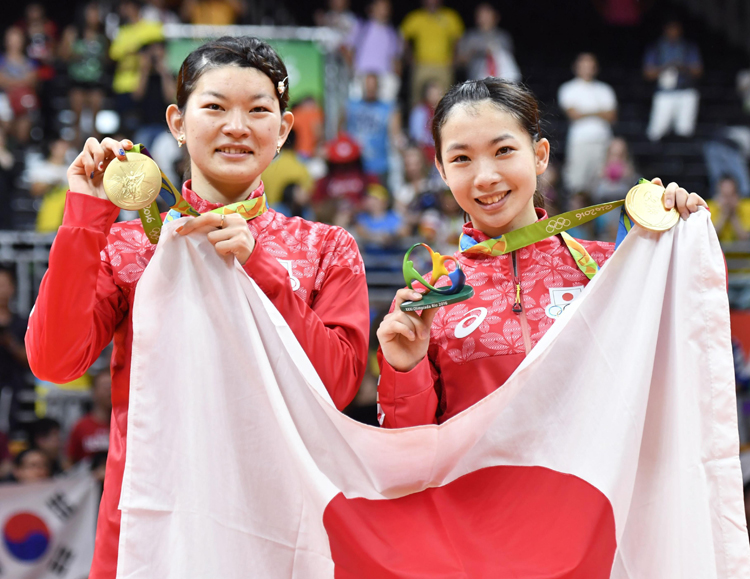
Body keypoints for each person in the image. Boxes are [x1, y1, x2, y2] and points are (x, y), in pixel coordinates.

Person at [26, 36, 369, 579]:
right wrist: (85, 216)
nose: (237, 126)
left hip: (281, 528)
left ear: (282, 132)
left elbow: (338, 386)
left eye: (259, 110)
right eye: (214, 107)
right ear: (178, 122)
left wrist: (260, 267)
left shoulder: (325, 247)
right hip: (149, 529)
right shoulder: (128, 246)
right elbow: (54, 361)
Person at [376, 78, 707, 428]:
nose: (485, 176)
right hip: (480, 485)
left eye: (503, 150)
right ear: (442, 171)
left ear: (540, 155)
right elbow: (408, 454)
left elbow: (694, 335)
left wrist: (684, 239)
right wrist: (406, 369)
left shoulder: (611, 270)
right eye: (461, 158)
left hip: (591, 484)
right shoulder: (428, 304)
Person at [558, 52, 617, 195]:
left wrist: (585, 112)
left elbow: (611, 116)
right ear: (576, 67)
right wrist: (599, 112)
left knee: (599, 184)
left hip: (602, 141)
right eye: (583, 64)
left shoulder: (605, 89)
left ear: (595, 68)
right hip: (580, 142)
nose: (587, 68)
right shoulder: (568, 88)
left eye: (590, 65)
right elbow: (573, 114)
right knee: (577, 183)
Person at [643, 20, 702, 142]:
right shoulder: (657, 47)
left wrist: (682, 67)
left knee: (685, 130)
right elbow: (648, 73)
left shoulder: (688, 47)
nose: (673, 32)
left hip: (685, 90)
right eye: (670, 28)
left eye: (676, 28)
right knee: (657, 131)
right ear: (665, 30)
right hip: (664, 91)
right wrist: (666, 67)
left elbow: (698, 71)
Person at [59, 2, 109, 144]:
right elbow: (62, 55)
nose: (94, 16)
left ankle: (97, 147)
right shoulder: (73, 32)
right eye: (91, 12)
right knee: (77, 117)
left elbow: (107, 58)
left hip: (96, 80)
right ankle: (76, 147)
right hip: (77, 80)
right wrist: (74, 53)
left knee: (96, 117)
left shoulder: (102, 35)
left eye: (97, 12)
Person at [400, 0, 463, 106]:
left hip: (443, 65)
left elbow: (458, 40)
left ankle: (443, 122)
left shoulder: (450, 16)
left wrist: (454, 58)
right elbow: (403, 36)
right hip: (421, 65)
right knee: (416, 98)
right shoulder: (416, 17)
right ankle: (416, 121)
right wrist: (408, 56)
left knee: (446, 99)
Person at [346, 73, 404, 185]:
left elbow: (395, 134)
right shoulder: (350, 106)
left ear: (378, 87)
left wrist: (400, 151)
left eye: (373, 86)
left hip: (379, 165)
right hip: (355, 163)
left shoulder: (388, 108)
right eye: (368, 85)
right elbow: (340, 130)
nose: (370, 89)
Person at [346, 0, 403, 103]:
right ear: (372, 8)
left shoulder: (392, 33)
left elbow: (395, 58)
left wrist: (397, 77)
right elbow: (348, 49)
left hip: (384, 77)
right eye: (380, 7)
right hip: (362, 75)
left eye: (386, 7)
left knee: (386, 108)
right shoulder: (361, 27)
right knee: (356, 105)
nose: (383, 10)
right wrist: (352, 70)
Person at [457, 4, 520, 83]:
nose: (484, 18)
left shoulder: (503, 37)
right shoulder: (470, 36)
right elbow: (460, 62)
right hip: (476, 80)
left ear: (495, 16)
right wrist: (476, 52)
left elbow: (510, 59)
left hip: (501, 80)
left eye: (487, 14)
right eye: (481, 15)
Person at [67, 370, 111, 465]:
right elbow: (70, 461)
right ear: (94, 391)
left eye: (113, 386)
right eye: (105, 387)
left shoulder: (126, 425)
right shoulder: (81, 426)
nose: (110, 391)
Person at [707, 175, 750, 243]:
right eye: (724, 196)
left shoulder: (747, 207)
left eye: (731, 195)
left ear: (737, 195)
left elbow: (745, 239)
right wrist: (723, 215)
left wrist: (733, 215)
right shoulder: (708, 208)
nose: (727, 201)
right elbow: (709, 238)